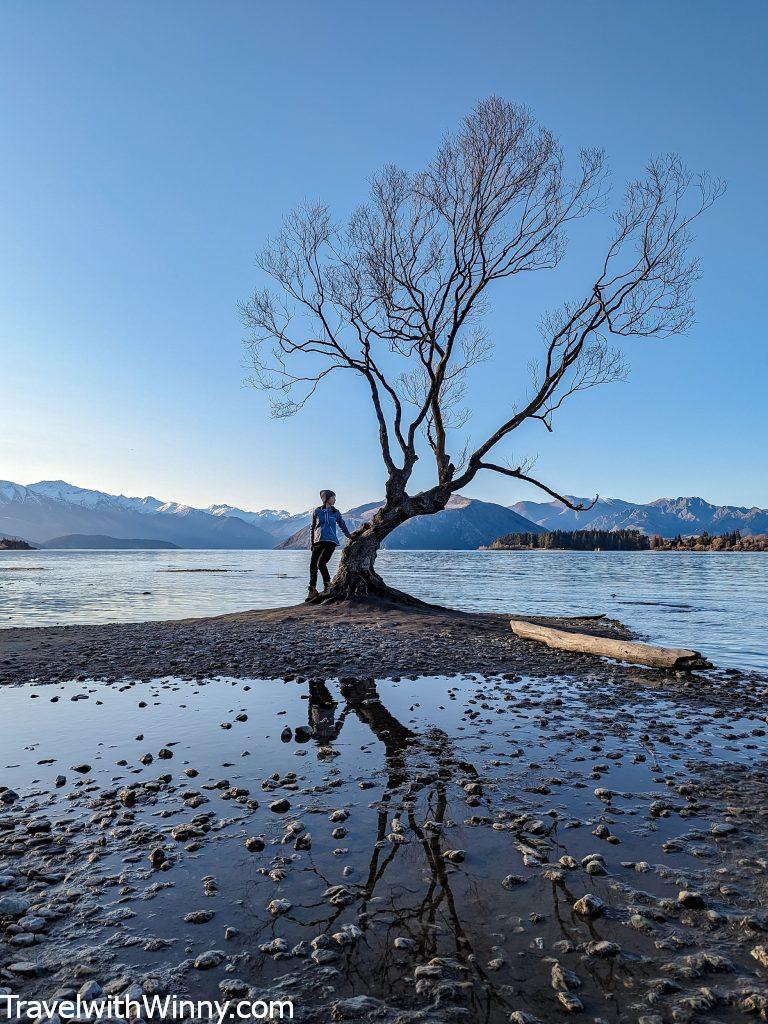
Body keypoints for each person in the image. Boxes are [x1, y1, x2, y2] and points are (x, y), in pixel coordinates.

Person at [307, 489, 352, 600]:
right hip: (318, 541)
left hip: (331, 541)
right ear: (326, 499)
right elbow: (312, 527)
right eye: (333, 497)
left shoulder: (335, 512)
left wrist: (349, 535)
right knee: (313, 565)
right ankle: (312, 590)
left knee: (321, 563)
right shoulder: (316, 511)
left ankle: (327, 586)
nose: (335, 499)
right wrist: (312, 542)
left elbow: (342, 524)